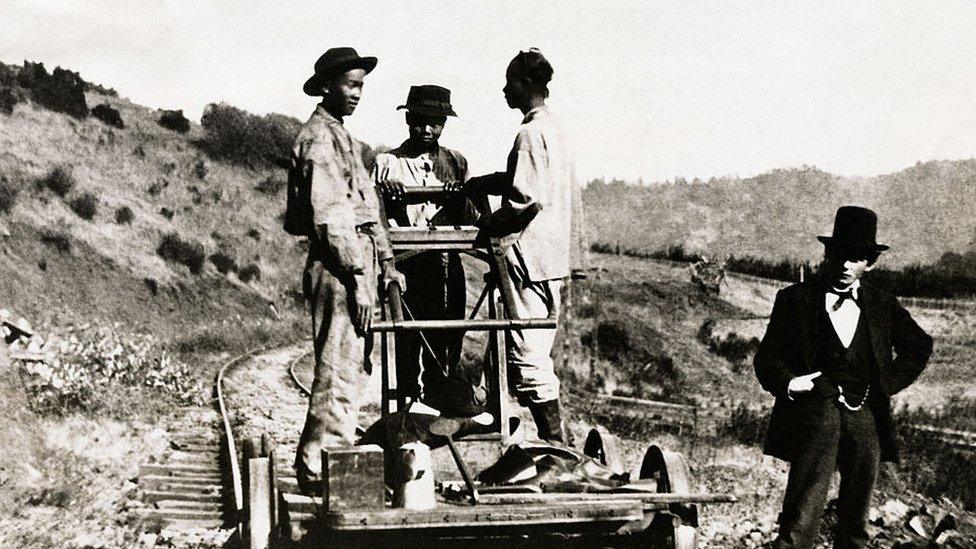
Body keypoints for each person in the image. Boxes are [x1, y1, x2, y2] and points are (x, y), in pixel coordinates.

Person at [754, 206, 933, 549]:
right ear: (827, 254)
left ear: (870, 262)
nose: (845, 266)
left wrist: (886, 384)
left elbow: (919, 345)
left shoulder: (882, 305)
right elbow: (767, 359)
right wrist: (792, 383)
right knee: (802, 515)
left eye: (855, 258)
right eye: (838, 256)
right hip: (814, 415)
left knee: (856, 517)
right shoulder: (795, 300)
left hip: (864, 415)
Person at [285, 47, 405, 493]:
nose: (357, 94)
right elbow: (331, 217)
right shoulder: (319, 139)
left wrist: (387, 265)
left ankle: (326, 462)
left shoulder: (345, 139)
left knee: (350, 368)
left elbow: (367, 209)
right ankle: (320, 469)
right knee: (337, 368)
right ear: (327, 86)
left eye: (361, 86)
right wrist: (359, 278)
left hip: (356, 264)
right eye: (351, 85)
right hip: (338, 269)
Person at [463, 49, 586, 443]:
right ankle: (495, 421)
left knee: (527, 357)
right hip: (550, 260)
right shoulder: (556, 128)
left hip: (528, 259)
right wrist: (486, 182)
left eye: (509, 82)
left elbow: (524, 200)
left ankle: (557, 447)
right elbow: (529, 180)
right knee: (521, 345)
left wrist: (487, 224)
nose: (504, 90)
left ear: (526, 84)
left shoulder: (529, 133)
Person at [372, 85, 481, 414]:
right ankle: (406, 414)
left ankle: (442, 411)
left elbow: (473, 217)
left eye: (436, 122)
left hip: (447, 266)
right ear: (408, 119)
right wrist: (386, 197)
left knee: (447, 341)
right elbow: (371, 217)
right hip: (406, 266)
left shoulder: (456, 162)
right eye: (421, 121)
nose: (428, 129)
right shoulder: (388, 163)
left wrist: (458, 197)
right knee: (407, 345)